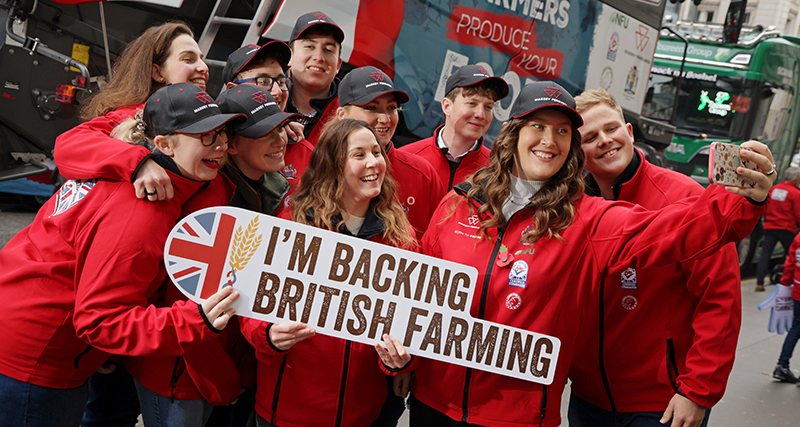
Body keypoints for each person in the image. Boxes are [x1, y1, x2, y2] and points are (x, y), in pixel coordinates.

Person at [410, 81, 775, 427]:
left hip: (516, 416)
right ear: (513, 133)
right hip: (432, 401)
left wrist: (744, 197)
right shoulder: (459, 202)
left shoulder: (585, 219)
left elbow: (679, 229)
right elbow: (416, 293)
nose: (549, 139)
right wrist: (401, 364)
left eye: (563, 131)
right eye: (538, 125)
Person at [0, 83, 242, 427]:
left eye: (222, 133)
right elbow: (98, 320)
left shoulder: (137, 171)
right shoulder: (144, 208)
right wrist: (194, 319)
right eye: (205, 135)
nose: (220, 145)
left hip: (27, 331)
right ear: (164, 145)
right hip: (37, 357)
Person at [567, 88, 741, 427]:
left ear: (629, 132)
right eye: (590, 137)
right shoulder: (570, 207)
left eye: (611, 128)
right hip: (587, 400)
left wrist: (698, 391)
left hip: (663, 404)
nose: (605, 140)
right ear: (577, 152)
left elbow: (720, 300)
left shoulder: (685, 196)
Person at [239, 119, 418, 427]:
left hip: (363, 415)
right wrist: (267, 334)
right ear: (332, 166)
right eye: (359, 154)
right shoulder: (293, 225)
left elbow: (413, 321)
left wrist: (402, 361)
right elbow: (252, 303)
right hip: (288, 411)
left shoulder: (401, 238)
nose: (373, 162)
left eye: (376, 152)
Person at [333, 65, 446, 236]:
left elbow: (437, 242)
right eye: (372, 108)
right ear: (342, 114)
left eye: (392, 108)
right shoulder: (320, 163)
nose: (385, 119)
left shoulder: (422, 175)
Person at [399, 64, 508, 190]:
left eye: (488, 107)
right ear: (447, 106)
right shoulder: (405, 159)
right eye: (472, 103)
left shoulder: (496, 171)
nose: (481, 114)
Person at [756, 167, 800, 291]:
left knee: (765, 255)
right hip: (787, 228)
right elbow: (798, 214)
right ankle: (788, 283)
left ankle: (759, 283)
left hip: (770, 226)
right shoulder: (796, 193)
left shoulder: (774, 189)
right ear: (796, 178)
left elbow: (765, 206)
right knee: (791, 256)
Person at [770, 231, 800, 384]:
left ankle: (782, 365)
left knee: (795, 328)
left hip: (798, 292)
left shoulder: (798, 238)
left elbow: (790, 263)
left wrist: (785, 284)